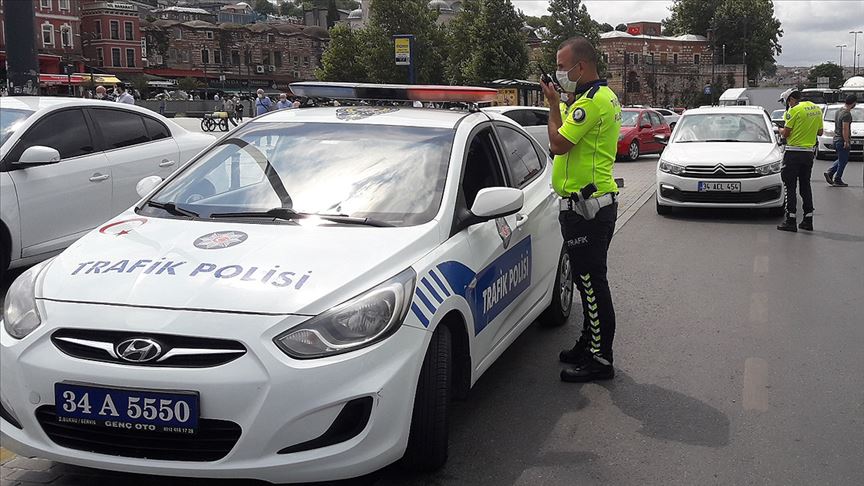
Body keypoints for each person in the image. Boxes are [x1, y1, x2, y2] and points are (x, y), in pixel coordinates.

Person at [540, 36, 622, 383]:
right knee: (587, 282)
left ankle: (600, 360)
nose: (559, 73)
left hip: (586, 210)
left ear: (581, 66)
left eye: (562, 67)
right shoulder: (600, 97)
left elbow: (558, 143)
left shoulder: (590, 103)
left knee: (590, 283)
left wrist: (552, 104)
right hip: (592, 205)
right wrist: (563, 102)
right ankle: (589, 344)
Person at [777, 90, 824, 232]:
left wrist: (780, 129)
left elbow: (786, 133)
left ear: (791, 99)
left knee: (790, 186)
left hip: (793, 152)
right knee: (805, 185)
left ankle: (791, 220)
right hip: (808, 153)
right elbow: (820, 132)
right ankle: (808, 220)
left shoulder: (794, 110)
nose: (788, 105)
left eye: (787, 102)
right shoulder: (816, 109)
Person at [824, 94, 857, 187]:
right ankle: (837, 179)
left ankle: (830, 173)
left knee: (841, 159)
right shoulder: (847, 114)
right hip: (842, 140)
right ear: (854, 103)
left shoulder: (839, 111)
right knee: (843, 161)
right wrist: (846, 141)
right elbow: (845, 128)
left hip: (836, 138)